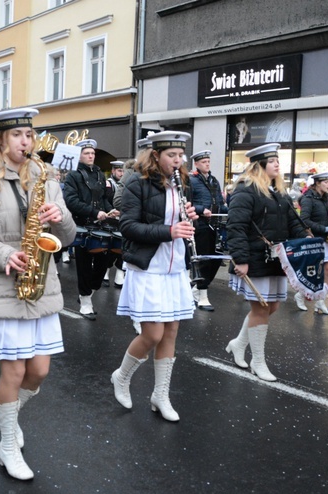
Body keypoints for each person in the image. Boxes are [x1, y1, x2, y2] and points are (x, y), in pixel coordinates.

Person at [0, 107, 76, 480]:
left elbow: (67, 237)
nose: (27, 141)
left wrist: (62, 218)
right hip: (2, 289)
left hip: (42, 288)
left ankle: (9, 413)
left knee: (39, 371)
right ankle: (8, 444)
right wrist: (5, 254)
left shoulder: (48, 181)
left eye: (30, 135)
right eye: (19, 135)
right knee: (14, 369)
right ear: (0, 140)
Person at [110, 130, 198, 423]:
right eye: (171, 155)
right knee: (152, 333)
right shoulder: (137, 182)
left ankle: (161, 395)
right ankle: (121, 377)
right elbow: (128, 226)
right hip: (148, 266)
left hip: (173, 267)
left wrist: (188, 217)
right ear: (156, 155)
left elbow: (176, 218)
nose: (178, 160)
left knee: (171, 332)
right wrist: (170, 230)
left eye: (180, 155)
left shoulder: (180, 181)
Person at [223, 143, 309, 382]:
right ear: (259, 165)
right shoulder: (245, 190)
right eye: (272, 161)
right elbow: (236, 226)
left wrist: (308, 241)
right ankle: (257, 362)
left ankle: (239, 344)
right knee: (260, 309)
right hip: (253, 257)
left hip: (276, 258)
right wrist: (240, 259)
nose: (277, 165)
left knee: (272, 307)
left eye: (277, 161)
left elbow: (294, 222)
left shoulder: (279, 191)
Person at [63, 138, 117, 319]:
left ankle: (88, 293)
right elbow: (71, 201)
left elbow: (103, 199)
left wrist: (110, 210)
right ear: (79, 156)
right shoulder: (73, 175)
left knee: (103, 264)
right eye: (87, 153)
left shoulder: (100, 174)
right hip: (81, 225)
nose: (91, 156)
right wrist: (94, 212)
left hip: (100, 224)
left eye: (92, 153)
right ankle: (85, 302)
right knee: (84, 266)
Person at [188, 150, 227, 311]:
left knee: (217, 258)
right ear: (196, 164)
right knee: (204, 259)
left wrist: (227, 209)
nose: (207, 164)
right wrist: (201, 209)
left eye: (208, 161)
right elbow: (187, 202)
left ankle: (197, 287)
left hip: (215, 224)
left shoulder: (214, 180)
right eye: (204, 162)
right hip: (201, 225)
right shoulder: (191, 180)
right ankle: (202, 295)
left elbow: (219, 199)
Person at [296, 171, 328, 314]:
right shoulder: (308, 198)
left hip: (327, 239)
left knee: (327, 271)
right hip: (315, 239)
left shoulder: (326, 198)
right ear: (318, 183)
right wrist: (324, 228)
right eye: (326, 182)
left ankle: (320, 302)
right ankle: (300, 295)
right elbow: (304, 220)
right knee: (313, 273)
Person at [103, 160, 125, 288]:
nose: (121, 173)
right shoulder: (108, 184)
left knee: (122, 249)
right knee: (110, 248)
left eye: (122, 171)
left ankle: (119, 274)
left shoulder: (126, 183)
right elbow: (105, 199)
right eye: (119, 171)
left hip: (122, 219)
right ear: (113, 171)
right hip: (111, 219)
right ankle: (105, 271)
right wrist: (111, 211)